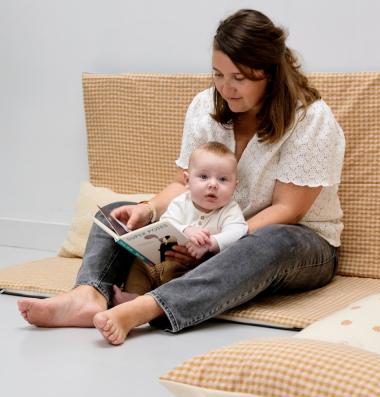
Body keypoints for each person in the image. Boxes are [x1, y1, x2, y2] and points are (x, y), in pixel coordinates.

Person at [17, 8, 345, 346]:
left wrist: (217, 244)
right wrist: (148, 209)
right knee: (114, 213)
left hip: (296, 244)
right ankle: (88, 296)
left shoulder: (310, 118)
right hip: (207, 232)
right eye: (218, 74)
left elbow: (289, 210)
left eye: (239, 78)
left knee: (272, 240)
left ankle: (145, 308)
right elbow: (182, 184)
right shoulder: (206, 107)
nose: (226, 88)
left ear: (271, 74)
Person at [113, 140, 247, 304]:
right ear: (187, 180)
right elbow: (166, 222)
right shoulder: (181, 202)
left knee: (190, 281)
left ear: (235, 186)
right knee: (139, 264)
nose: (213, 184)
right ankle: (133, 296)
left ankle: (158, 303)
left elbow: (239, 230)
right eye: (204, 177)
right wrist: (185, 230)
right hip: (163, 259)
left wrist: (212, 243)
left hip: (192, 268)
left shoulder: (230, 210)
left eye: (223, 179)